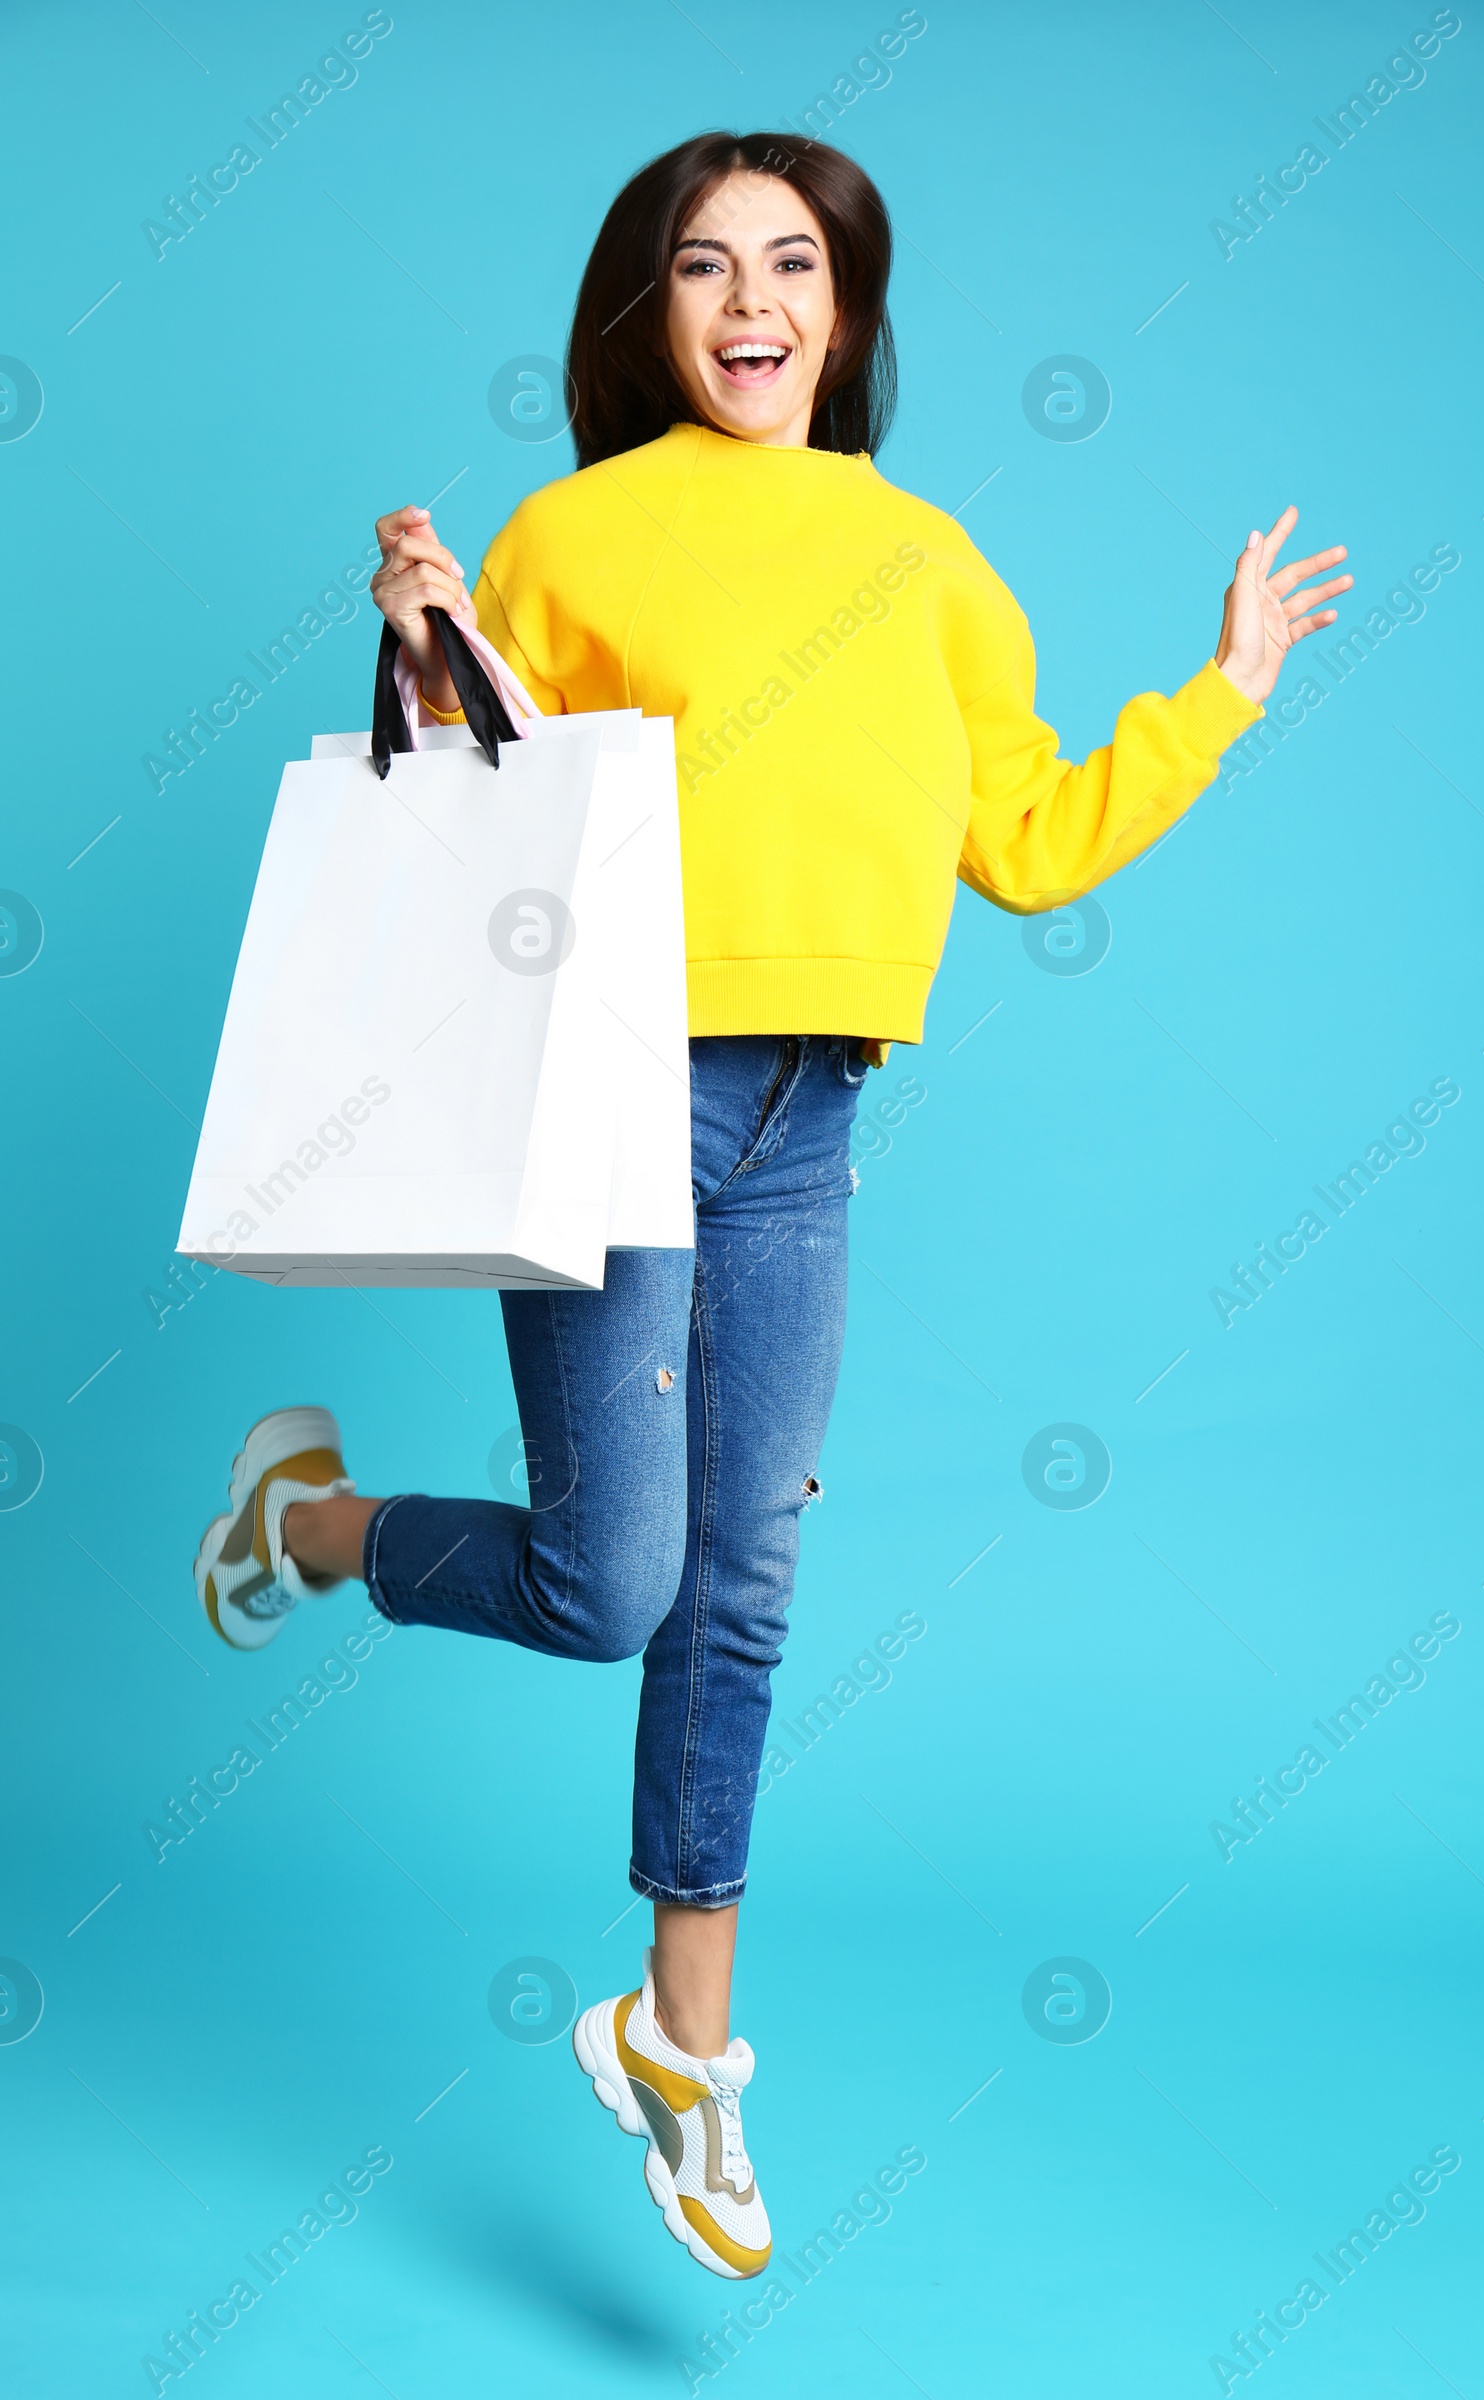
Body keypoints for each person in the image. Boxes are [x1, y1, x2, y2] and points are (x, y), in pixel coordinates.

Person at [192, 130, 1350, 2282]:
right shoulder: (574, 530)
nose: (746, 302)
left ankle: (680, 2040)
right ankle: (308, 1523)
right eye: (702, 266)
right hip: (608, 1091)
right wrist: (436, 645)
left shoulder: (928, 565)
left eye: (789, 264)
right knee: (609, 1583)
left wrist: (1217, 696)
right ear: (647, 311)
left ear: (843, 306)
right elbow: (487, 802)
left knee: (741, 1588)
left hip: (807, 1118)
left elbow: (1022, 839)